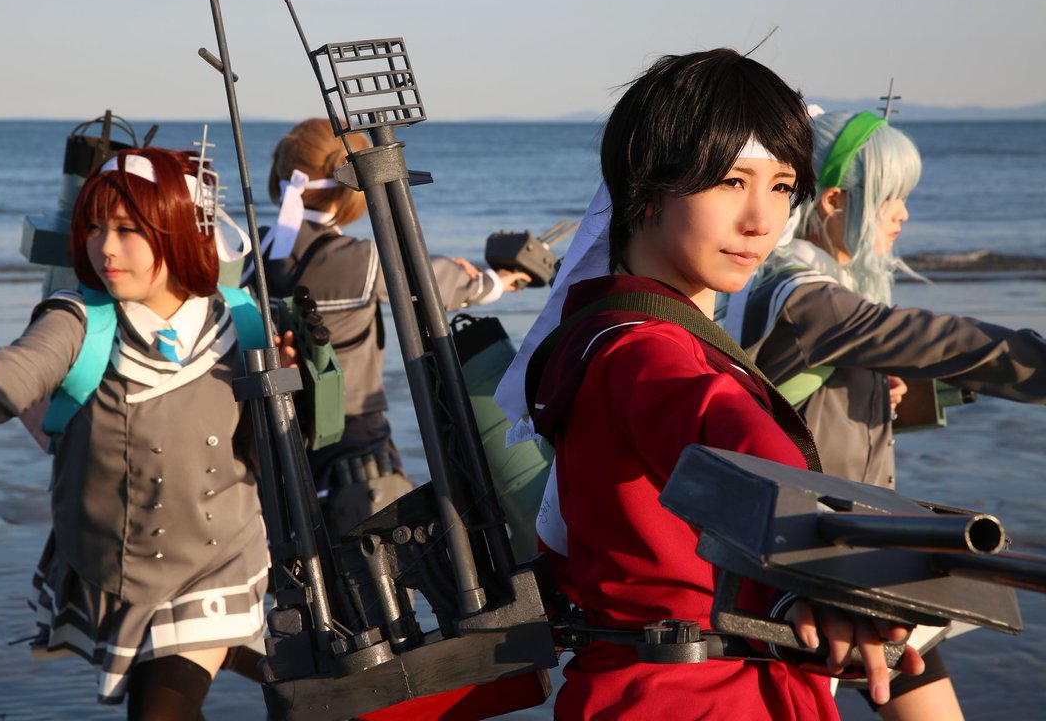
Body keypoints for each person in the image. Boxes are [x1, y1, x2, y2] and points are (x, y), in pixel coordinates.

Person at [506, 50, 923, 720]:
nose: (762, 219)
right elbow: (728, 428)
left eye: (782, 186)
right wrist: (819, 566)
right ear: (647, 187)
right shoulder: (643, 349)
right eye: (732, 181)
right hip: (697, 698)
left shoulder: (607, 331)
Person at [0, 147, 282, 720]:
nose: (104, 247)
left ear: (178, 230)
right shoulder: (79, 318)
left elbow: (283, 441)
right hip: (119, 566)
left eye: (127, 230)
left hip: (219, 562)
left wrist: (298, 382)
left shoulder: (241, 320)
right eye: (93, 227)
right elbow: (16, 372)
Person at [739, 111, 1046, 720]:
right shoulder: (798, 291)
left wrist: (884, 401)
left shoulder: (813, 283)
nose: (903, 215)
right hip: (799, 570)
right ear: (833, 201)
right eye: (890, 198)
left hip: (848, 556)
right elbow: (927, 338)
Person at [255, 118, 528, 510]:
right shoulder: (359, 260)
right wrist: (494, 282)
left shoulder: (255, 254)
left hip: (274, 435)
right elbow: (427, 279)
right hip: (354, 438)